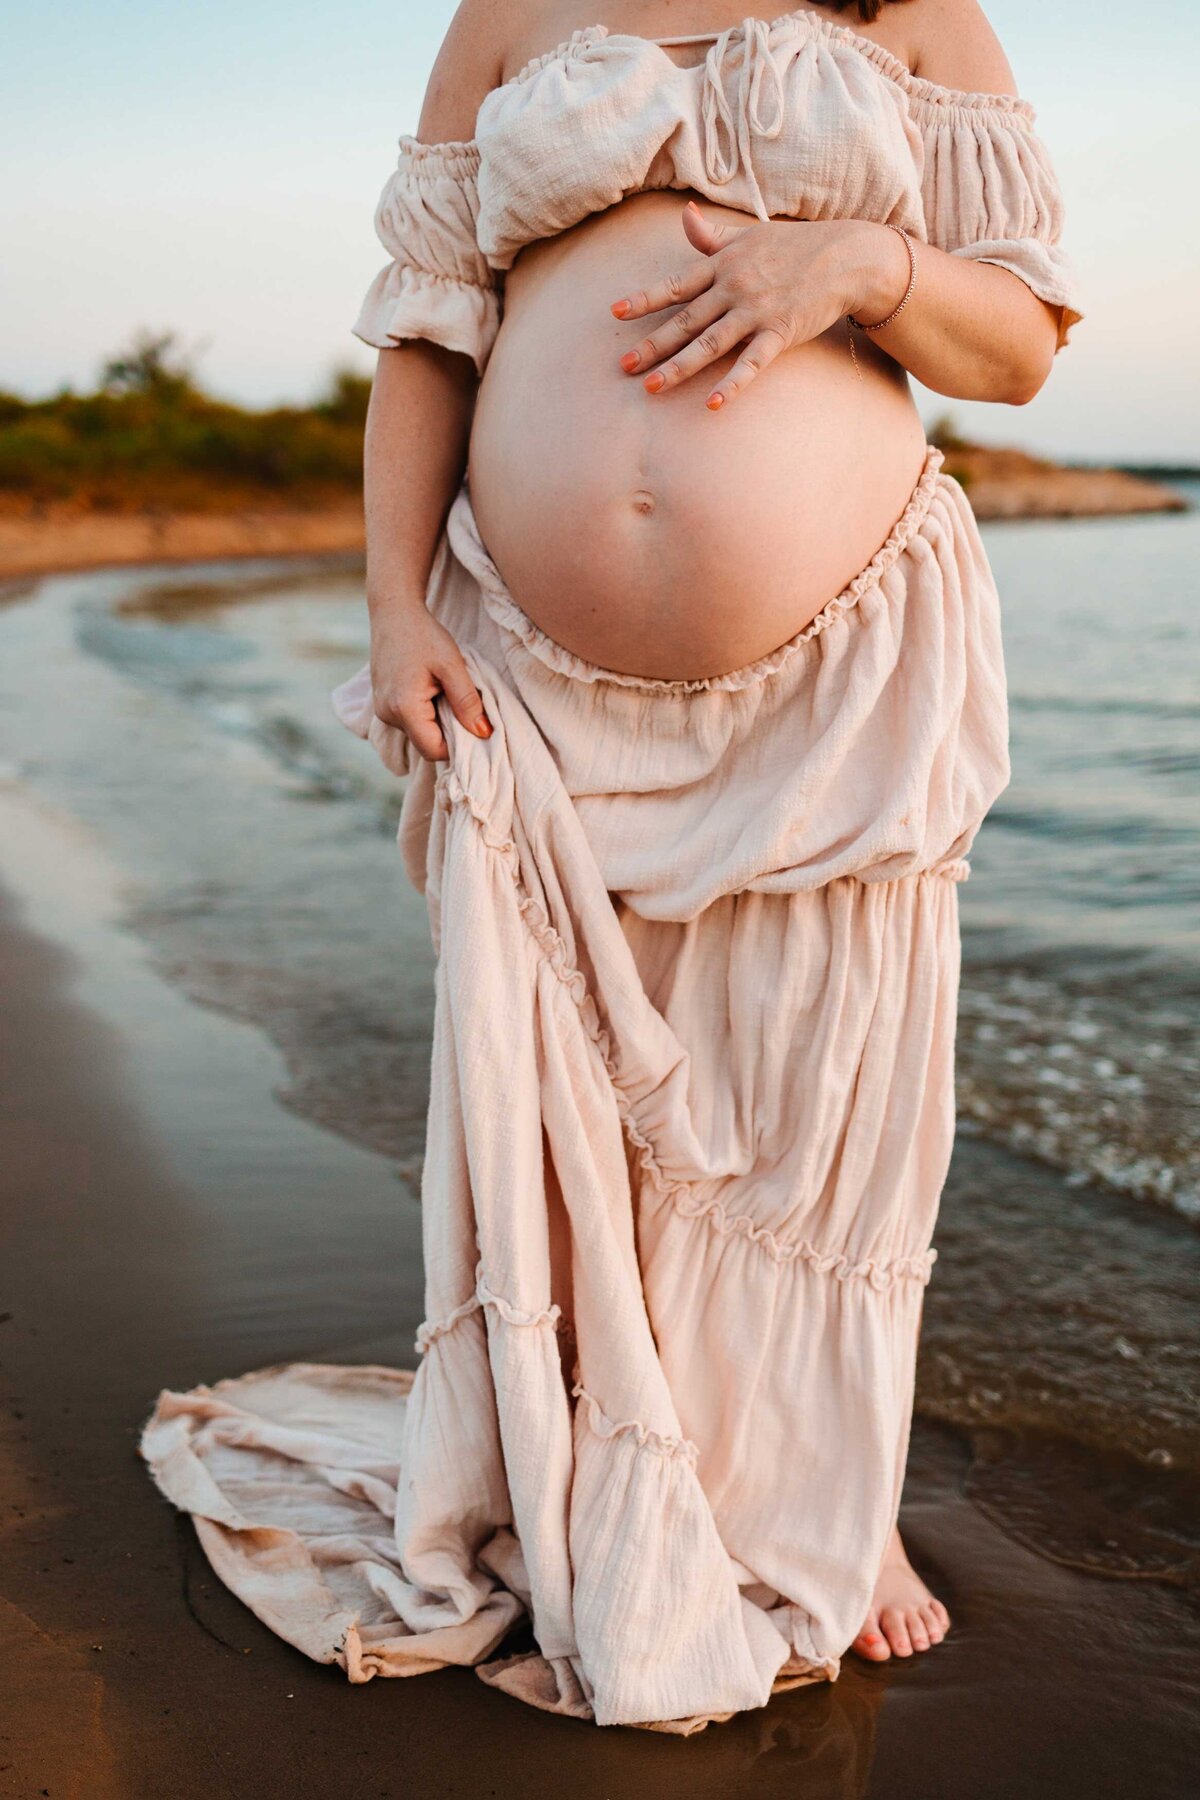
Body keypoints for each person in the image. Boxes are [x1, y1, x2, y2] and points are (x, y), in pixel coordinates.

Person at [140, 0, 1083, 1734]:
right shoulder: (501, 12)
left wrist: (862, 265)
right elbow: (431, 332)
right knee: (574, 1109)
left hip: (837, 665)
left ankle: (831, 1508)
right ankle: (592, 1468)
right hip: (530, 663)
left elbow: (1017, 346)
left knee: (816, 1107)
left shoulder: (920, 14)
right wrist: (392, 602)